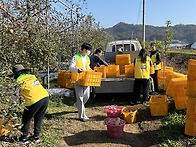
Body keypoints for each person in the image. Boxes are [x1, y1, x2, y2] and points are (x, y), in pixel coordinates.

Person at [9, 64, 49, 144]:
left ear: (16, 74)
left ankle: (23, 139)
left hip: (34, 100)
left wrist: (10, 110)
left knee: (26, 119)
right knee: (39, 117)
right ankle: (36, 137)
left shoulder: (17, 81)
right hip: (45, 97)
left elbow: (14, 97)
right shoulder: (32, 76)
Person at [69, 43, 92, 122]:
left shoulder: (88, 58)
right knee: (80, 98)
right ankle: (82, 116)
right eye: (89, 50)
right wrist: (77, 69)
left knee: (87, 96)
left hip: (86, 79)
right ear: (85, 50)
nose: (89, 52)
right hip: (77, 79)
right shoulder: (76, 57)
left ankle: (77, 105)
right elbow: (71, 67)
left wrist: (91, 70)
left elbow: (87, 67)